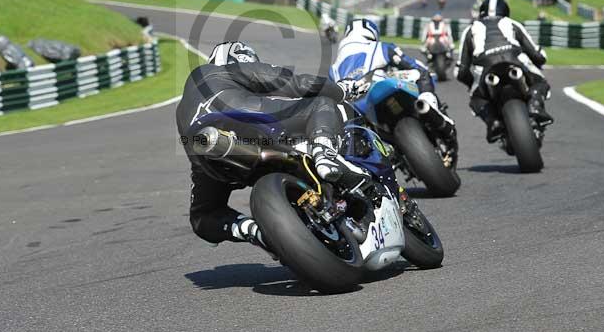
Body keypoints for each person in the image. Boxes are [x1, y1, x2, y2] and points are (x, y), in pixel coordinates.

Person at [176, 41, 368, 254]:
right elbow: (294, 83)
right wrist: (341, 90)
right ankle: (325, 154)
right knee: (320, 103)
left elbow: (201, 221)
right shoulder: (224, 70)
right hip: (244, 120)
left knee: (203, 214)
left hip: (208, 157)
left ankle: (254, 231)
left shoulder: (184, 105)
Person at [329, 18, 458, 151]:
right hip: (381, 87)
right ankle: (429, 108)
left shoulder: (333, 69)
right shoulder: (381, 47)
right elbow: (413, 65)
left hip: (360, 111)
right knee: (422, 73)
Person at [455, 0, 553, 142]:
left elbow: (461, 71)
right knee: (540, 82)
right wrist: (540, 59)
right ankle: (535, 105)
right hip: (514, 59)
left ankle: (492, 121)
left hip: (486, 66)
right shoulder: (512, 23)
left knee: (475, 98)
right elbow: (536, 54)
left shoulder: (470, 30)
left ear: (481, 12)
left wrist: (472, 86)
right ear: (506, 11)